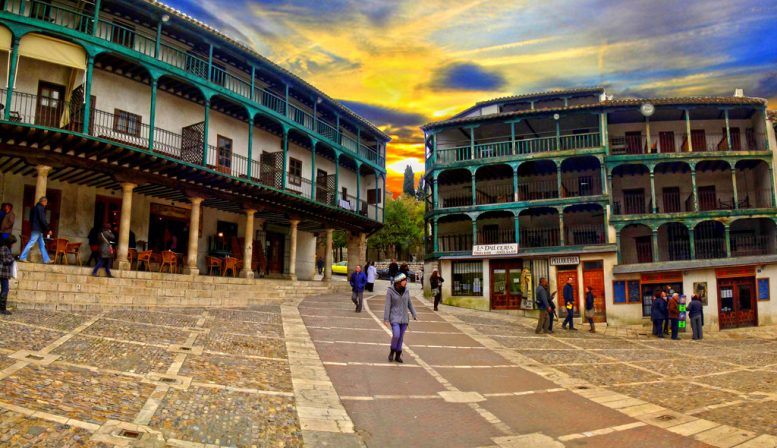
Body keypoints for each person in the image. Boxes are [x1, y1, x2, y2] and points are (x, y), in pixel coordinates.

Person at [383, 273, 417, 363]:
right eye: (404, 280)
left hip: (404, 318)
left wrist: (414, 313)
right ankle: (392, 350)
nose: (406, 282)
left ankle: (398, 354)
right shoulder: (390, 290)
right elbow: (387, 305)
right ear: (399, 282)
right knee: (396, 335)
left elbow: (409, 303)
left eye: (406, 280)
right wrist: (386, 319)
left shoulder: (407, 290)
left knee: (401, 337)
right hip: (394, 317)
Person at [19, 197, 51, 264]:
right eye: (46, 203)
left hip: (36, 228)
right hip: (38, 229)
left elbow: (31, 219)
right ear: (43, 202)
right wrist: (48, 229)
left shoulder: (35, 208)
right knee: (31, 242)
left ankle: (46, 259)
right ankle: (22, 257)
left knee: (42, 244)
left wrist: (32, 226)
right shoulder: (40, 208)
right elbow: (42, 219)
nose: (46, 204)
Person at [0, 235, 17, 315]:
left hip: (4, 272)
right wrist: (13, 258)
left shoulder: (6, 248)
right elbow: (5, 260)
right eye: (13, 243)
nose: (13, 245)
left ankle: (2, 307)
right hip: (2, 272)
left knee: (5, 289)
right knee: (5, 289)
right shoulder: (4, 248)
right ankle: (2, 308)